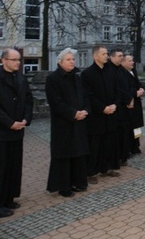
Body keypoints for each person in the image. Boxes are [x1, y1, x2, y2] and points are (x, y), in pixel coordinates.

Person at [0, 48, 33, 218]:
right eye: (13, 60)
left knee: (13, 167)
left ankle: (8, 198)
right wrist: (9, 122)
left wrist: (25, 119)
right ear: (3, 61)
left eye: (18, 60)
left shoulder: (21, 78)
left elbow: (29, 100)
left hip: (17, 130)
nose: (17, 63)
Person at [45, 48, 90, 197]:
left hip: (79, 122)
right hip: (63, 124)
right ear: (60, 62)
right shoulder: (53, 79)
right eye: (69, 60)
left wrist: (85, 110)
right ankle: (63, 186)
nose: (72, 62)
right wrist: (73, 113)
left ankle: (78, 182)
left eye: (73, 59)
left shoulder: (77, 77)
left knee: (78, 153)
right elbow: (56, 102)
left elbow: (85, 96)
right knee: (64, 154)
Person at [81, 46, 121, 184]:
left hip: (111, 113)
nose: (106, 56)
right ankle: (91, 171)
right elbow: (88, 96)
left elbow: (117, 90)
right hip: (96, 116)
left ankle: (106, 168)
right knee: (95, 145)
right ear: (95, 56)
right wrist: (103, 108)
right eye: (103, 54)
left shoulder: (111, 71)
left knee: (108, 143)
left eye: (107, 54)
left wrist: (115, 104)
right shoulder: (87, 74)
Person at [108, 49, 132, 166]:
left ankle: (124, 155)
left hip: (125, 106)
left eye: (122, 55)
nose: (121, 58)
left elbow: (127, 85)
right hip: (118, 106)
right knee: (117, 134)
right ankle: (116, 157)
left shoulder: (121, 70)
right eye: (119, 56)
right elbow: (117, 89)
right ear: (111, 57)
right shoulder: (110, 70)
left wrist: (130, 98)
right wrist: (127, 99)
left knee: (124, 132)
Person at [121, 54, 145, 155]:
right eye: (130, 61)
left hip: (137, 104)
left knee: (137, 126)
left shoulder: (133, 71)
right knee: (130, 126)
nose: (132, 62)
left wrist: (141, 89)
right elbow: (124, 88)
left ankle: (136, 145)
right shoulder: (122, 74)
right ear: (123, 62)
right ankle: (130, 147)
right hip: (130, 103)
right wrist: (135, 93)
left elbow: (137, 83)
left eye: (132, 60)